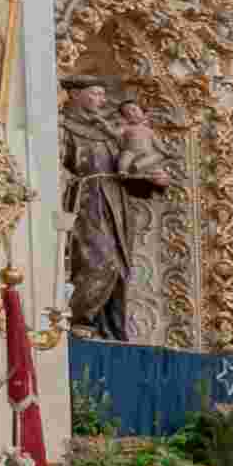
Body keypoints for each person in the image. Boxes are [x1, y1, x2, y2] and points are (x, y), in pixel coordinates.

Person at [62, 82, 172, 342]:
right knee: (100, 259)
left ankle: (107, 327)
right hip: (88, 200)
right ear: (75, 95)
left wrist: (152, 180)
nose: (101, 99)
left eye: (102, 94)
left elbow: (126, 170)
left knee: (120, 266)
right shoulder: (65, 128)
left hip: (117, 202)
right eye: (94, 93)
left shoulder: (111, 132)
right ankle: (78, 319)